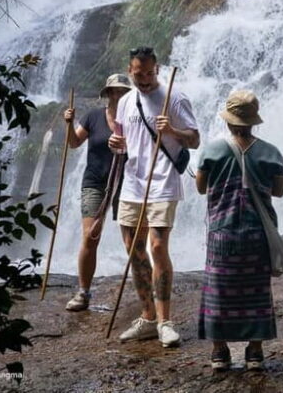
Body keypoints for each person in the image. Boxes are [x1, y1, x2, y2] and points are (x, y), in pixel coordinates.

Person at [108, 46, 200, 348]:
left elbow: (195, 139)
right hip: (132, 185)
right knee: (134, 250)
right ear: (130, 69)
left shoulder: (174, 97)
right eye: (139, 73)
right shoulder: (124, 101)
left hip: (163, 183)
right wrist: (115, 142)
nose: (145, 79)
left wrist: (172, 129)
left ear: (157, 69)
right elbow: (122, 142)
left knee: (158, 247)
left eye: (149, 73)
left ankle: (165, 321)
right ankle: (147, 318)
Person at [195, 90, 283, 371]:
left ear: (228, 121)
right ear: (253, 121)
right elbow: (279, 191)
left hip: (222, 234)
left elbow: (201, 187)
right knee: (256, 292)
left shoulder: (212, 151)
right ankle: (255, 352)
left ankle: (220, 352)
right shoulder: (271, 153)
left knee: (219, 292)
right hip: (256, 235)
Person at [62, 73, 132, 311]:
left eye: (125, 91)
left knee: (133, 240)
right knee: (91, 236)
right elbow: (73, 143)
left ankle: (144, 292)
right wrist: (69, 123)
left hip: (127, 183)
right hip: (95, 182)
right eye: (116, 91)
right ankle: (83, 292)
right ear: (109, 93)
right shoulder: (93, 116)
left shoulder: (135, 120)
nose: (120, 95)